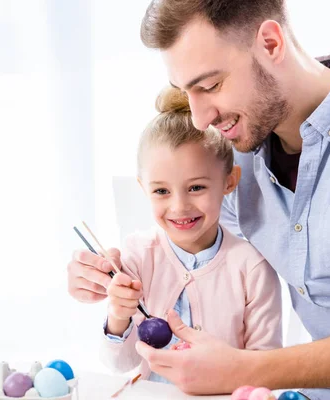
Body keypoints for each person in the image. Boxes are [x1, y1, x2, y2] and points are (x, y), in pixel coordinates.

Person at [67, 0, 330, 398]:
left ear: (271, 44)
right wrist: (114, 275)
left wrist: (245, 369)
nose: (200, 118)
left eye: (211, 85)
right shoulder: (233, 162)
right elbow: (204, 260)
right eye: (186, 92)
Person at [94, 87, 282, 384]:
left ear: (229, 181)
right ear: (144, 189)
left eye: (196, 187)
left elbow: (264, 370)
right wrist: (118, 315)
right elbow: (121, 363)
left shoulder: (253, 268)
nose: (179, 207)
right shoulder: (138, 256)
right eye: (161, 191)